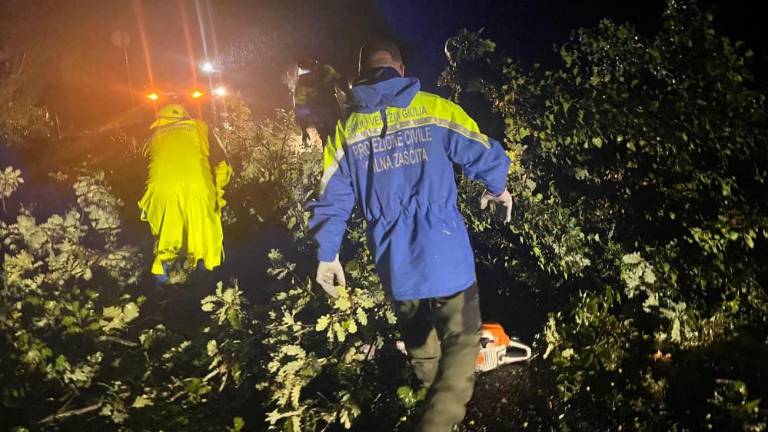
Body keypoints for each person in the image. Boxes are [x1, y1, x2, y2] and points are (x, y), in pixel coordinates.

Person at [307, 39, 513, 431]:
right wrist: (498, 186)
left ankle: (434, 407)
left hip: (395, 264)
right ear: (400, 70)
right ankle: (437, 423)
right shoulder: (435, 109)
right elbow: (481, 152)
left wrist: (327, 254)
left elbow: (330, 199)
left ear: (361, 75)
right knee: (462, 343)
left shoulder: (346, 131)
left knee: (422, 347)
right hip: (447, 255)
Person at [138, 104, 233, 284]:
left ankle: (163, 289)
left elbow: (144, 169)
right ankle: (208, 289)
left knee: (167, 243)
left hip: (160, 192)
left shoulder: (153, 136)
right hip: (198, 188)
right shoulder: (199, 126)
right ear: (185, 117)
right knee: (204, 241)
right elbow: (223, 166)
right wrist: (216, 194)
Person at [293, 56, 348, 146]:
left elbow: (300, 109)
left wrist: (304, 130)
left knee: (330, 139)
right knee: (334, 138)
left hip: (326, 111)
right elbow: (341, 81)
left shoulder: (326, 71)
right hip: (324, 112)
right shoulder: (326, 71)